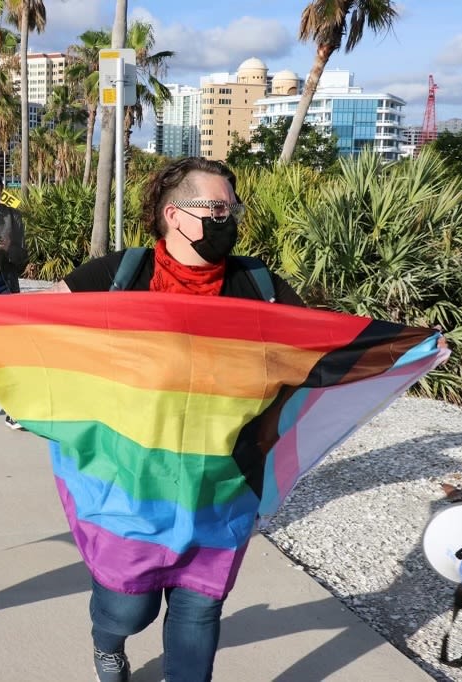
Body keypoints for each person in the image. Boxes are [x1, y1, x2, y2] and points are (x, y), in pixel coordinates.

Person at [50, 157, 303, 682]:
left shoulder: (259, 286)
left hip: (221, 485)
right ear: (174, 214)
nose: (227, 218)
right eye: (215, 207)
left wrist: (403, 349)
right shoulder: (118, 276)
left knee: (200, 607)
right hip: (129, 485)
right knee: (128, 609)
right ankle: (107, 640)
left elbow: (314, 351)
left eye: (232, 208)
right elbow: (41, 333)